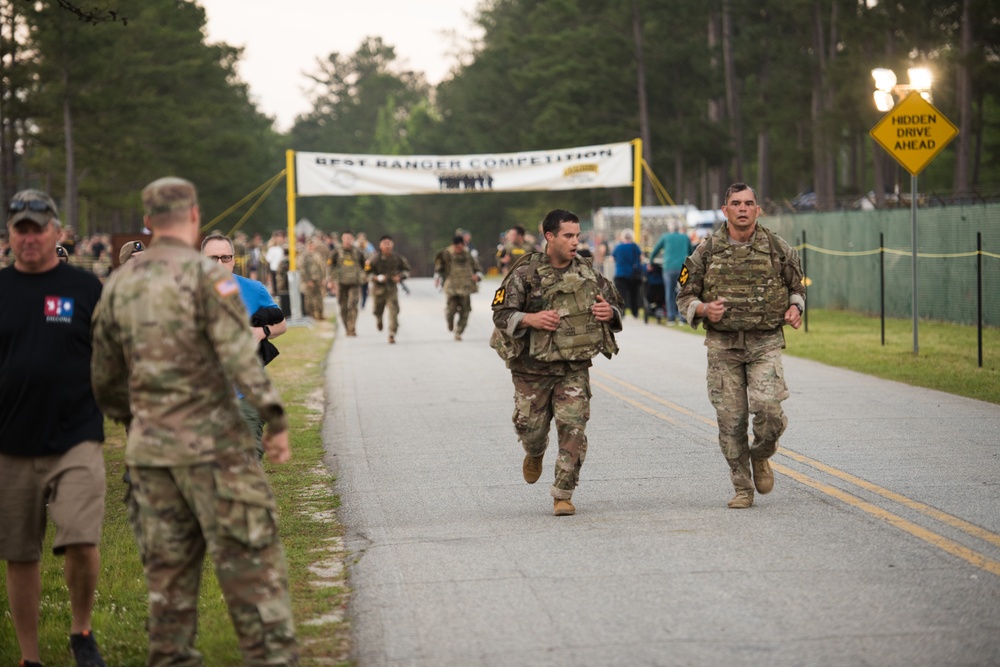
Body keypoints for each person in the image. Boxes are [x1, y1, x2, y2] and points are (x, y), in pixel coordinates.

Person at [90, 177, 298, 665]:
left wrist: (136, 420)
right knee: (252, 575)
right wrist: (273, 415)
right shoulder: (215, 281)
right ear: (193, 216)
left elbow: (103, 376)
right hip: (219, 448)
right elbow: (239, 353)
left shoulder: (121, 284)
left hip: (153, 456)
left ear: (148, 221)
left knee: (168, 586)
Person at [0, 189, 107, 667]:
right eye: (20, 228)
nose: (28, 237)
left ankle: (81, 631)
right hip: (10, 443)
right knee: (21, 554)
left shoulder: (86, 289)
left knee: (82, 541)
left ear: (57, 232)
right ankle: (30, 657)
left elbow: (114, 356)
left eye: (37, 228)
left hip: (76, 437)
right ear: (10, 235)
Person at [676, 183, 805, 509]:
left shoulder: (778, 248)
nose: (743, 208)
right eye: (736, 203)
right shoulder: (703, 252)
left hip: (765, 343)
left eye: (749, 203)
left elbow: (797, 287)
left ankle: (761, 455)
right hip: (723, 347)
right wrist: (703, 309)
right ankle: (742, 487)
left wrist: (795, 307)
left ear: (758, 209)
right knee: (731, 421)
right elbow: (683, 296)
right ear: (725, 210)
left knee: (768, 412)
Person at [490, 208, 623, 516]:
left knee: (573, 427)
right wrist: (531, 318)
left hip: (572, 367)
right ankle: (534, 451)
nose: (575, 241)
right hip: (531, 368)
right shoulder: (525, 273)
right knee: (530, 428)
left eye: (578, 235)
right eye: (568, 235)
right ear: (550, 237)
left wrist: (610, 314)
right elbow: (500, 314)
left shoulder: (589, 272)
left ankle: (563, 492)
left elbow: (615, 304)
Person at [201, 233, 288, 459]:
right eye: (212, 259)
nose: (219, 264)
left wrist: (262, 331)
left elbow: (282, 324)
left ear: (233, 260)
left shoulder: (254, 289)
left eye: (225, 257)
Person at [434, 234, 483, 341]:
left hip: (466, 287)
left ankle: (459, 331)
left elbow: (478, 269)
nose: (458, 249)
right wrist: (437, 278)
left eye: (460, 247)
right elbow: (439, 268)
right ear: (452, 245)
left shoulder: (469, 255)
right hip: (451, 287)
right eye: (456, 247)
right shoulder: (446, 254)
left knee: (465, 311)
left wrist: (477, 277)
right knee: (450, 310)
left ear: (463, 245)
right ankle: (450, 322)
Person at [364, 234, 410, 344]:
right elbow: (365, 273)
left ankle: (392, 333)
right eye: (384, 244)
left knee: (394, 311)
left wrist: (400, 277)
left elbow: (407, 270)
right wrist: (375, 278)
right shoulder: (373, 259)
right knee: (377, 311)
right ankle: (379, 319)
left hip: (391, 289)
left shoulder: (397, 258)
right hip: (378, 290)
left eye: (389, 244)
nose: (387, 246)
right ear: (380, 245)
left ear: (392, 245)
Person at [649, 221, 693, 324]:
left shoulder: (665, 237)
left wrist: (651, 261)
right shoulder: (685, 237)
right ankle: (682, 318)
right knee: (682, 292)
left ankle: (671, 318)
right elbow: (691, 252)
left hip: (668, 268)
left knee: (669, 292)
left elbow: (655, 250)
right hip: (683, 268)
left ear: (670, 228)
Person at [328, 231, 367, 336]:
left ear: (352, 239)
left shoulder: (358, 252)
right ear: (342, 239)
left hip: (354, 283)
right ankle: (346, 327)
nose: (347, 241)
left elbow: (365, 266)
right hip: (341, 283)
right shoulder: (336, 252)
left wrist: (364, 277)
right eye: (345, 238)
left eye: (349, 238)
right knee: (343, 307)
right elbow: (330, 266)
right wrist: (331, 281)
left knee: (353, 305)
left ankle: (352, 327)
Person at [611, 229, 643, 318]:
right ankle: (635, 312)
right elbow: (640, 258)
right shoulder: (635, 247)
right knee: (634, 294)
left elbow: (612, 258)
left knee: (621, 295)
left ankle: (622, 312)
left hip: (620, 273)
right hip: (633, 274)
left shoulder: (618, 247)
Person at [300, 236, 326, 320]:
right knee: (309, 298)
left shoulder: (317, 255)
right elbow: (303, 269)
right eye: (309, 245)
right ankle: (310, 315)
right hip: (308, 280)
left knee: (319, 297)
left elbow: (322, 267)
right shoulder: (304, 256)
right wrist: (308, 280)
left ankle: (319, 314)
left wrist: (323, 278)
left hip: (317, 279)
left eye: (312, 245)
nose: (311, 247)